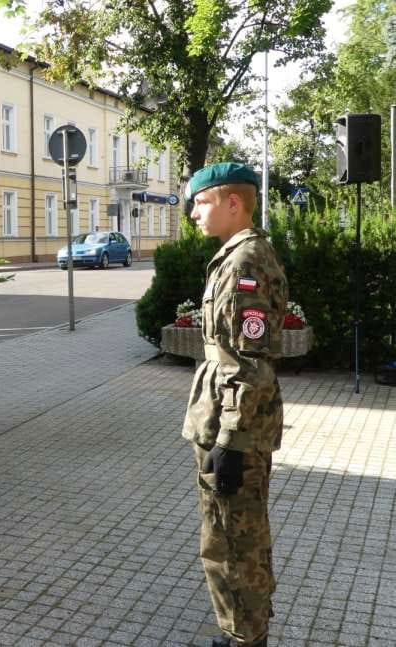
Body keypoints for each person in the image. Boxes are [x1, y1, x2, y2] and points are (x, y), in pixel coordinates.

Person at [182, 162, 287, 647]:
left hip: (234, 425)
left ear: (232, 203)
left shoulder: (247, 262)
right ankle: (241, 632)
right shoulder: (235, 256)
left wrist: (230, 438)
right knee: (226, 536)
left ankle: (245, 636)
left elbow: (250, 360)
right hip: (222, 416)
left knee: (234, 540)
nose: (192, 213)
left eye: (200, 203)